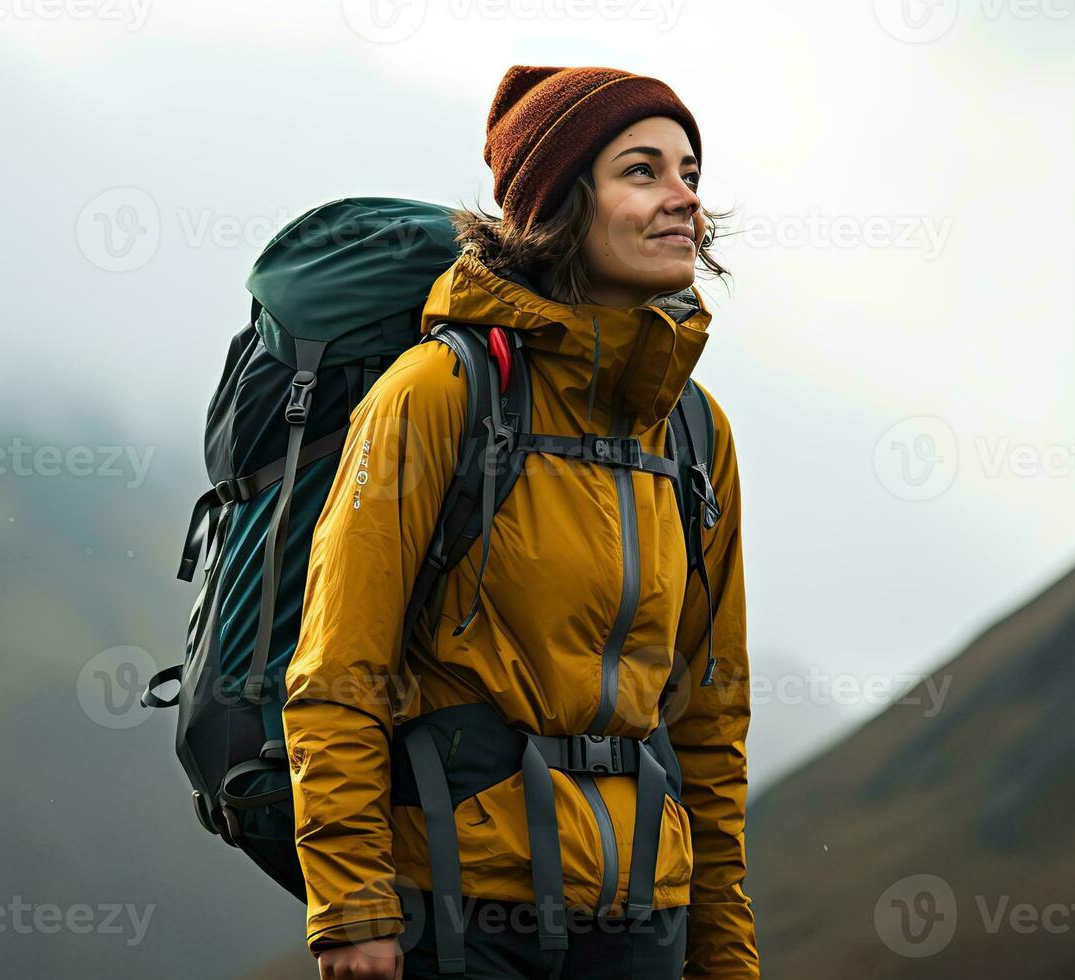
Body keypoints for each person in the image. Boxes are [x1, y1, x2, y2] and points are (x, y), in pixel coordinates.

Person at [283, 64, 759, 980]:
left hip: (645, 922)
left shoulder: (697, 432)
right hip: (463, 915)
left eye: (690, 175)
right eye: (643, 171)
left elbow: (710, 716)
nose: (684, 202)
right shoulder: (439, 394)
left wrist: (723, 948)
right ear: (559, 204)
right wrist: (351, 906)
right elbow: (340, 667)